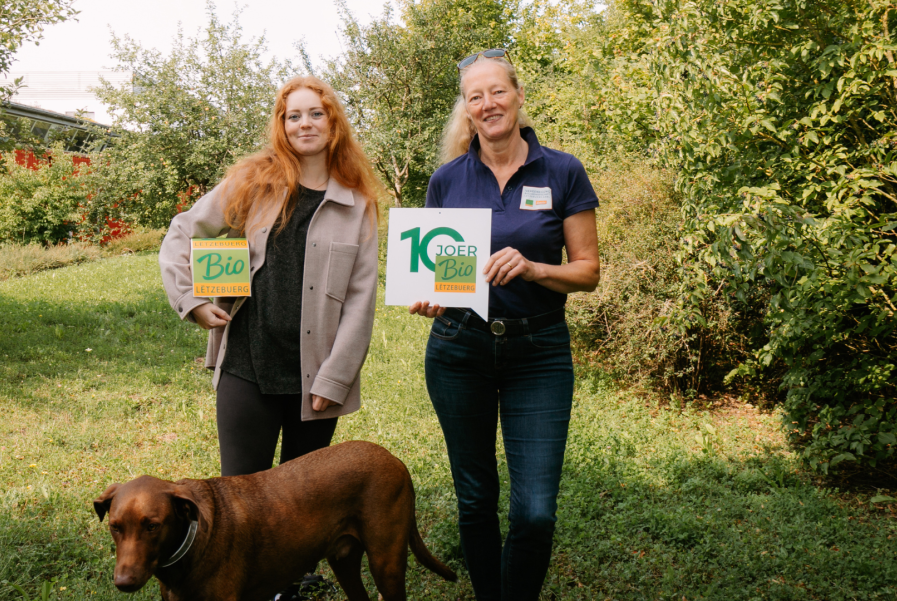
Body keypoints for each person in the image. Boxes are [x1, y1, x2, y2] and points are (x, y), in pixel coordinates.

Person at [159, 75, 379, 600]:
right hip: (246, 368)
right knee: (239, 502)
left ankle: (290, 585)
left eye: (315, 114)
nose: (304, 124)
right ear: (281, 125)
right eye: (293, 115)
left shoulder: (357, 204)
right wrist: (191, 300)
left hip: (316, 379)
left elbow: (361, 300)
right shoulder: (253, 182)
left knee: (302, 505)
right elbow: (183, 230)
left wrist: (337, 376)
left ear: (333, 123)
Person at [408, 49, 600, 600]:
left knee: (535, 510)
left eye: (497, 91)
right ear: (467, 111)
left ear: (517, 96)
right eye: (476, 96)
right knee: (475, 498)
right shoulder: (447, 180)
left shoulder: (562, 170)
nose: (488, 103)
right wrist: (432, 298)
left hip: (538, 352)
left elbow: (587, 272)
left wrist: (537, 267)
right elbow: (440, 270)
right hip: (458, 349)